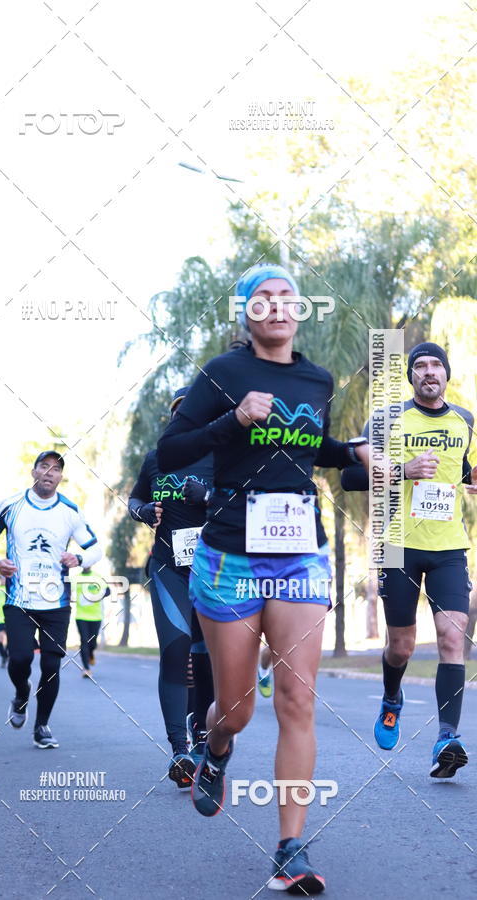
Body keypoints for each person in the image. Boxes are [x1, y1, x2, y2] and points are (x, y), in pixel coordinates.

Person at [157, 263, 369, 892]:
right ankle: (216, 749)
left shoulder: (316, 378)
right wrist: (233, 420)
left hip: (299, 551)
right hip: (230, 554)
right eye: (262, 299)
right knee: (241, 710)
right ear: (245, 312)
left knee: (298, 700)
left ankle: (289, 847)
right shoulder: (222, 375)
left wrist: (349, 453)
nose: (276, 307)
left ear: (300, 311)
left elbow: (308, 446)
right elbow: (170, 451)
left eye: (286, 299)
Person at [342, 341, 476, 778]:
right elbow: (350, 474)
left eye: (436, 364)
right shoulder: (385, 420)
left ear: (446, 373)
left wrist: (470, 480)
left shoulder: (465, 421)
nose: (429, 371)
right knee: (400, 646)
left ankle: (447, 737)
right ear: (412, 376)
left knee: (451, 638)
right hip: (396, 544)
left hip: (448, 545)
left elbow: (458, 469)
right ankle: (392, 697)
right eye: (420, 365)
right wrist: (403, 470)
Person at [0, 450, 102, 749]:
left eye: (56, 469)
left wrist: (80, 557)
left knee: (51, 666)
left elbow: (95, 548)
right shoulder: (10, 505)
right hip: (19, 598)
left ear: (61, 477)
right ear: (33, 471)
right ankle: (21, 695)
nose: (49, 472)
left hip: (56, 601)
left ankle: (42, 725)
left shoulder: (70, 511)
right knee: (20, 658)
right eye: (44, 466)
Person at [129, 388, 215, 788]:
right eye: (179, 412)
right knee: (177, 648)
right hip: (169, 568)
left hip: (217, 569)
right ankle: (179, 749)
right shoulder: (155, 459)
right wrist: (143, 511)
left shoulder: (223, 454)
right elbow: (134, 500)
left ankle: (203, 735)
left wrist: (210, 497)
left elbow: (245, 501)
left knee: (209, 655)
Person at [74, 569, 109, 678]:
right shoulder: (76, 578)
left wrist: (96, 597)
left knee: (92, 643)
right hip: (81, 616)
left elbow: (108, 591)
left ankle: (91, 653)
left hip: (96, 616)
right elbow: (66, 590)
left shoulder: (97, 576)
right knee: (84, 641)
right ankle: (86, 669)